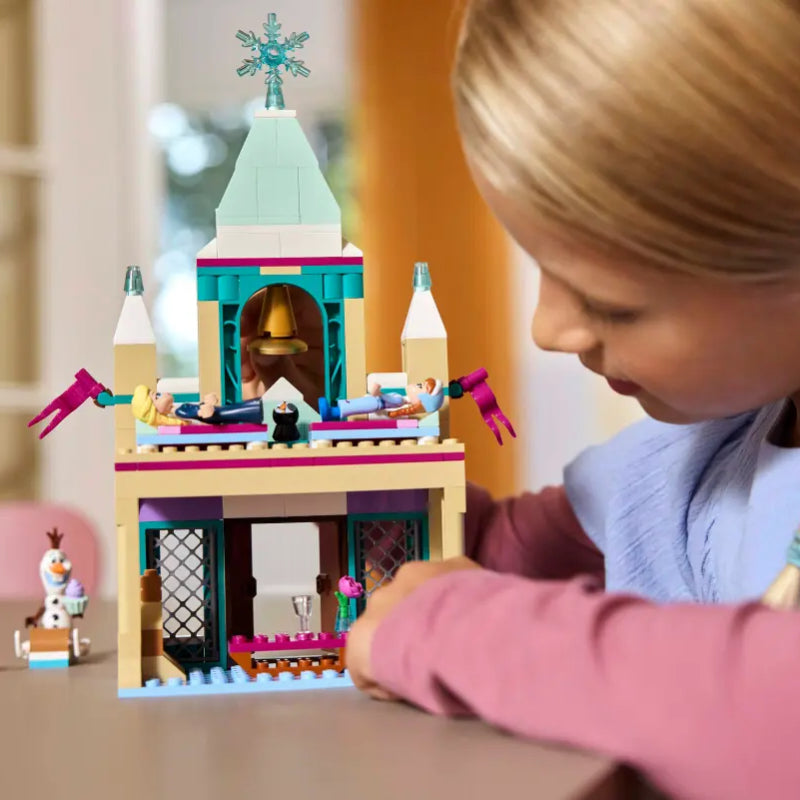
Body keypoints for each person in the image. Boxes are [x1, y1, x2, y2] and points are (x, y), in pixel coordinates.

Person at [343, 3, 800, 799]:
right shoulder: (687, 464)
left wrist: (463, 630)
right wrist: (341, 481)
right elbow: (488, 551)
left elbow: (772, 708)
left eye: (610, 301)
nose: (548, 328)